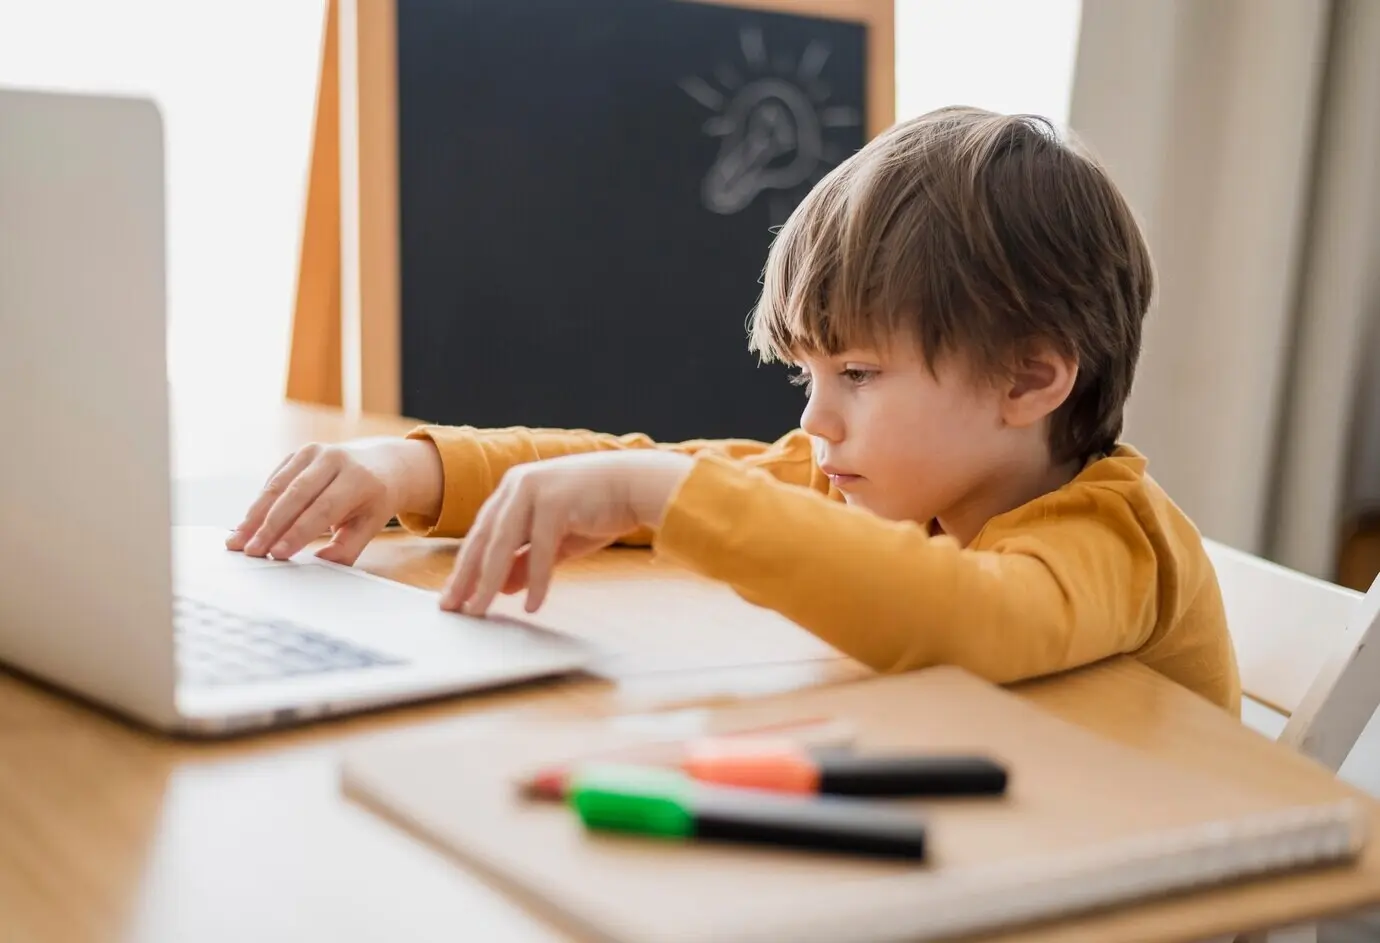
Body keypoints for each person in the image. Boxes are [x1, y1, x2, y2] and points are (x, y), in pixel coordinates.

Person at [227, 106, 1241, 714]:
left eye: (859, 374)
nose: (816, 422)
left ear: (1028, 382)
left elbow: (971, 621)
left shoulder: (1110, 536)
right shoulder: (898, 482)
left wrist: (661, 493)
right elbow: (628, 464)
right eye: (810, 376)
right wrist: (416, 471)